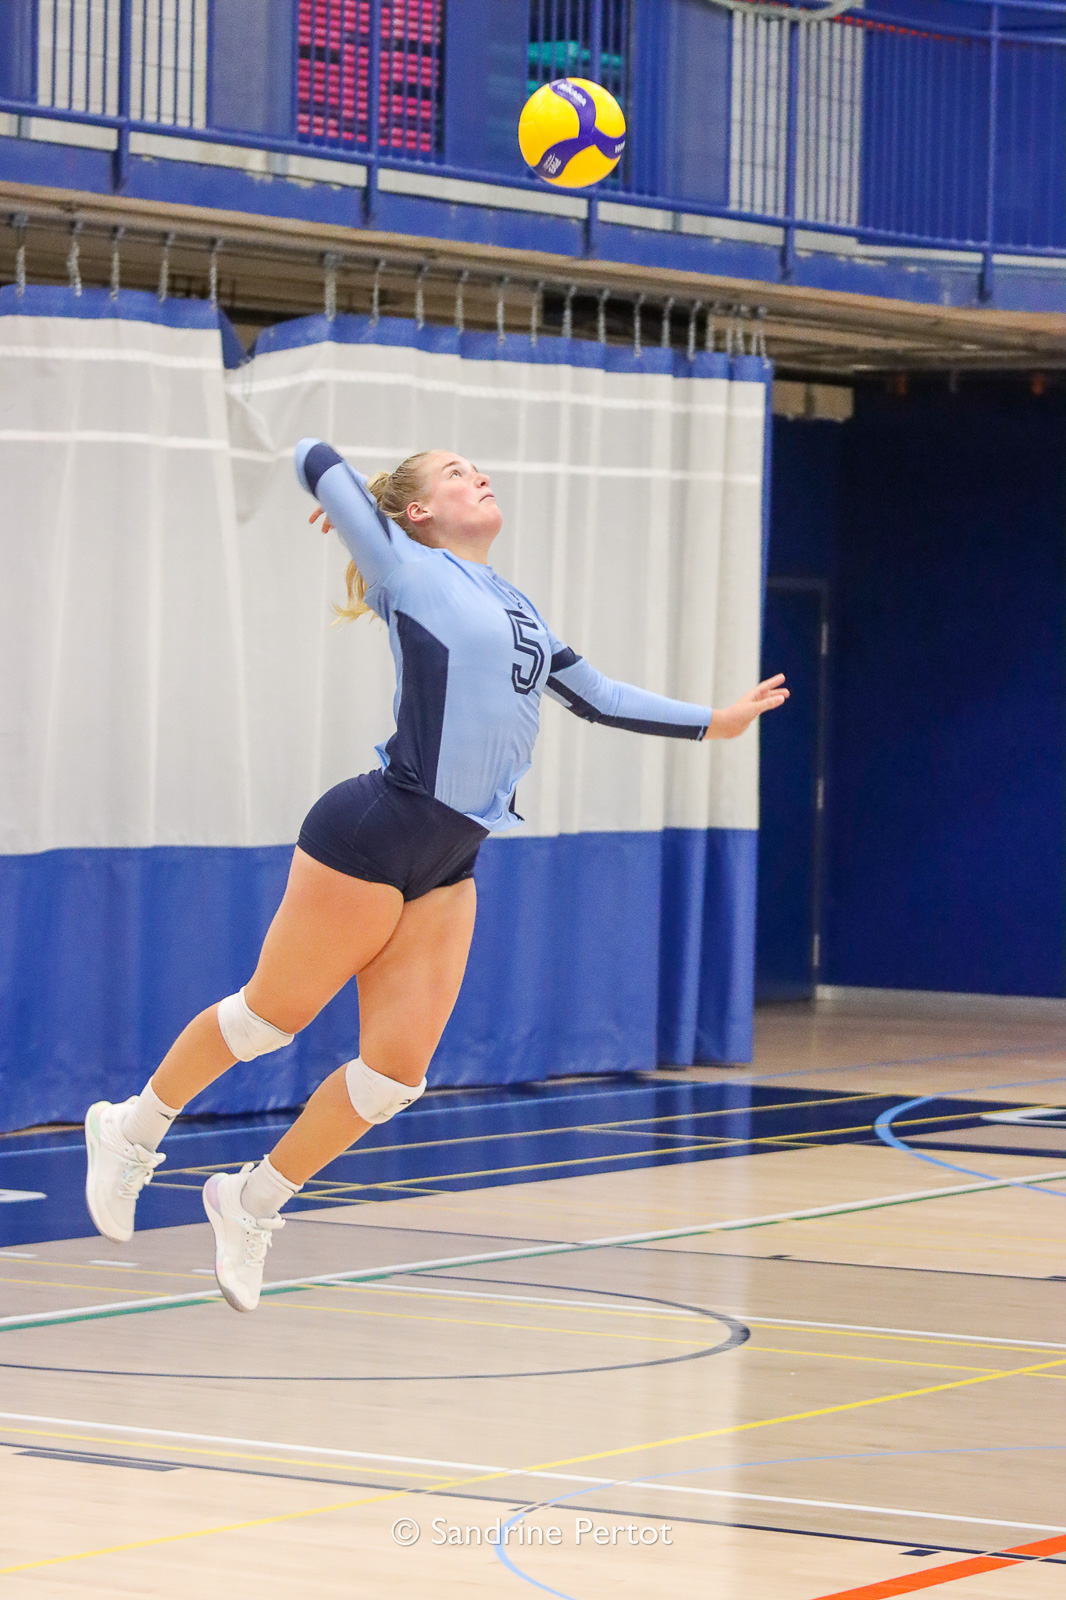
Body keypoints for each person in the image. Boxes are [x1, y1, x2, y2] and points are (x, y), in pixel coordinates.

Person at [84, 441, 788, 1313]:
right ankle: (132, 1127)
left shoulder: (515, 602)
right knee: (272, 1018)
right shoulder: (405, 567)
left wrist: (716, 723)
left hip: (453, 856)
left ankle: (250, 1201)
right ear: (416, 512)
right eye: (455, 472)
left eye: (476, 468)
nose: (477, 475)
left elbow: (598, 694)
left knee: (392, 1078)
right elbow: (314, 455)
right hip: (377, 827)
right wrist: (352, 504)